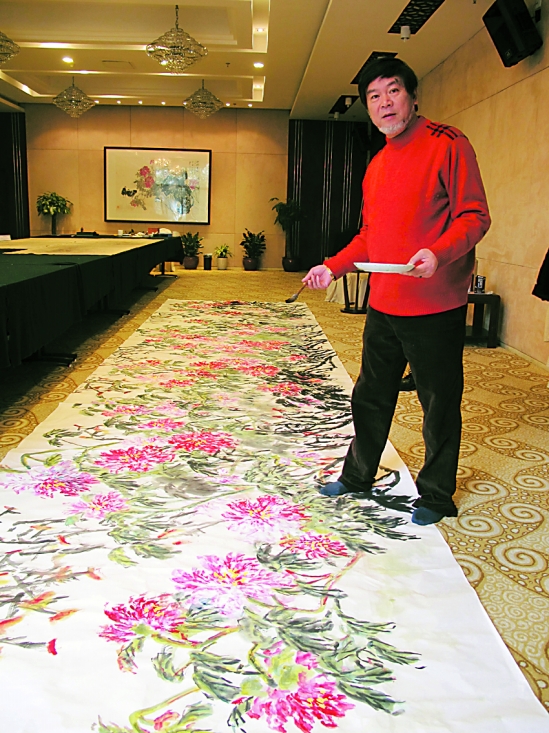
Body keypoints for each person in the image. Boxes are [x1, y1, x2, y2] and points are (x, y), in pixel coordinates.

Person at [303, 57, 490, 526]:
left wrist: (438, 253)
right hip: (384, 303)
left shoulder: (448, 143)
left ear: (412, 96)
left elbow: (474, 216)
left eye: (393, 91)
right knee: (370, 395)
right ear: (367, 107)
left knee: (438, 403)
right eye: (374, 96)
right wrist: (332, 266)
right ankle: (357, 475)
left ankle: (437, 496)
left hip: (435, 303)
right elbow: (370, 237)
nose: (384, 103)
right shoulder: (378, 164)